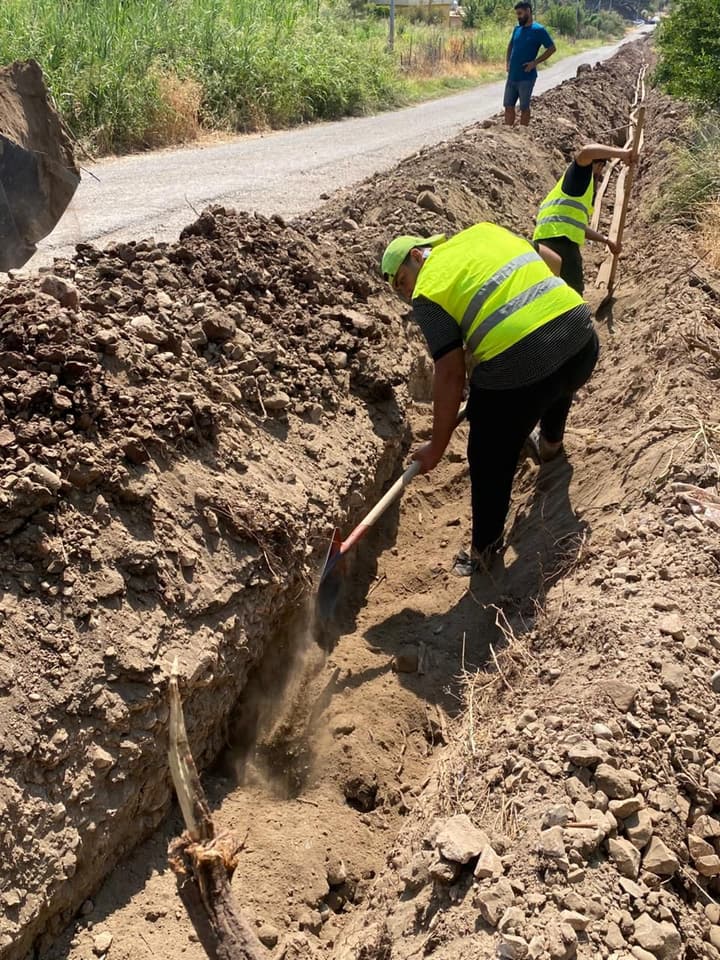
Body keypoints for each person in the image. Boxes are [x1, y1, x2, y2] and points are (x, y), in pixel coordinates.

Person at [380, 223, 598, 576]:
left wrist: (437, 447)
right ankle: (551, 445)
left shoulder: (429, 288)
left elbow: (450, 373)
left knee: (486, 452)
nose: (406, 295)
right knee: (554, 367)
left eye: (403, 282)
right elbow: (553, 261)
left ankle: (484, 550)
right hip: (581, 341)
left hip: (527, 368)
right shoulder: (484, 232)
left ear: (418, 256)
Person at [533, 143, 636, 294]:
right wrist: (623, 154)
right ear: (599, 165)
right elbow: (587, 151)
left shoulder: (570, 188)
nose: (599, 175)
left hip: (544, 243)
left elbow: (577, 226)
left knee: (548, 293)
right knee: (572, 295)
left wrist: (606, 240)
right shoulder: (580, 175)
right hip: (561, 244)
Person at [504, 2, 556, 127]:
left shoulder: (539, 30)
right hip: (512, 76)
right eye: (517, 14)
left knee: (524, 107)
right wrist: (508, 62)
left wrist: (535, 62)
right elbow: (510, 45)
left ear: (528, 11)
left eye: (520, 14)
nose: (518, 17)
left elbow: (552, 48)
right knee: (508, 106)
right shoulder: (517, 29)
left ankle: (522, 135)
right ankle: (507, 133)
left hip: (526, 77)